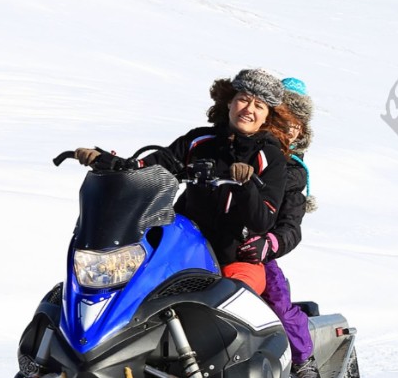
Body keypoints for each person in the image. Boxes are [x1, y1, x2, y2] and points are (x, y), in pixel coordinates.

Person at [72, 69, 289, 296]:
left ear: (267, 117)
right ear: (229, 103)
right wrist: (107, 161)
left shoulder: (271, 158)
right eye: (243, 99)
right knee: (135, 286)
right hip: (184, 245)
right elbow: (151, 166)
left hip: (235, 256)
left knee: (236, 298)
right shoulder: (199, 141)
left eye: (259, 106)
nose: (248, 109)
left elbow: (263, 220)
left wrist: (246, 186)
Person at [238, 77, 319, 378]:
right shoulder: (245, 150)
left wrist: (268, 243)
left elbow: (290, 224)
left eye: (296, 124)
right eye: (283, 120)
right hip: (219, 240)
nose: (289, 129)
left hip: (259, 250)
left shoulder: (292, 171)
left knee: (276, 295)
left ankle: (302, 359)